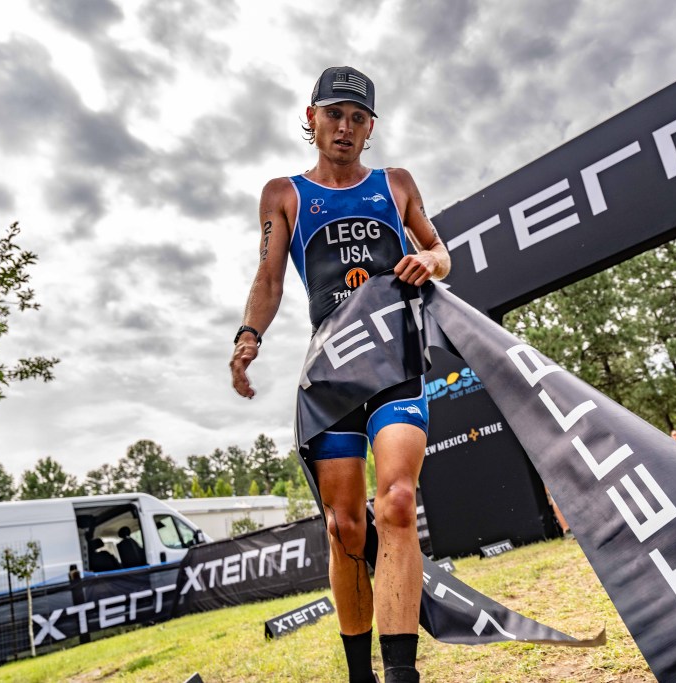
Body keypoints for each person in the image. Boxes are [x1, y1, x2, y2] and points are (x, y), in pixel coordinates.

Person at [229, 66, 449, 683]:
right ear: (312, 118)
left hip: (396, 358)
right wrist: (248, 337)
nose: (345, 127)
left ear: (370, 127)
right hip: (331, 370)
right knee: (344, 526)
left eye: (357, 118)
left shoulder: (395, 183)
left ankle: (402, 673)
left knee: (397, 500)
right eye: (334, 114)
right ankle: (360, 676)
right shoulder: (284, 194)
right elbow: (269, 278)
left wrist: (428, 262)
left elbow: (440, 251)